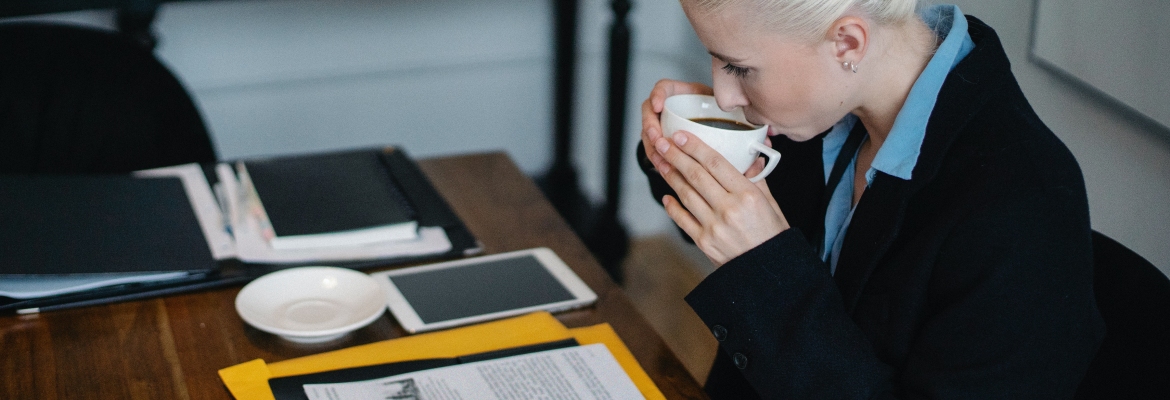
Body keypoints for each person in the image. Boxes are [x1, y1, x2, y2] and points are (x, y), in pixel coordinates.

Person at [635, 1, 1105, 398]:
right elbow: (729, 225)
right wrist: (681, 143)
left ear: (848, 43)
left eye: (739, 67)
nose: (724, 94)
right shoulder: (822, 108)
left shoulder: (1024, 212)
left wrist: (766, 269)